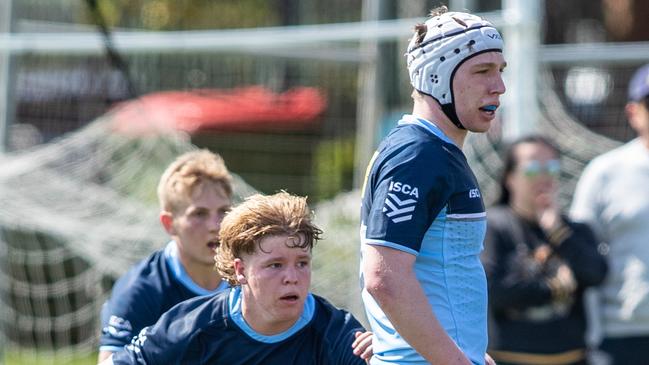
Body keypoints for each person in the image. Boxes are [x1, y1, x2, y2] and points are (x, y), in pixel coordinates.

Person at [360, 5, 506, 365]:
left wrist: (467, 353)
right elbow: (384, 277)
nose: (499, 86)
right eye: (482, 71)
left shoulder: (433, 151)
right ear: (437, 76)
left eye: (500, 71)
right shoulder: (417, 155)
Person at [101, 191, 373, 365]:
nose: (292, 277)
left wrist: (385, 357)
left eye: (302, 263)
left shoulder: (338, 335)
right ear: (240, 270)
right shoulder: (192, 327)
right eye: (275, 265)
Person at [482, 135, 607, 365]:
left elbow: (596, 274)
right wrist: (554, 287)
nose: (544, 175)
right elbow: (495, 291)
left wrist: (557, 232)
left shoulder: (574, 229)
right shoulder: (492, 225)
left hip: (572, 358)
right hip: (511, 359)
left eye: (551, 167)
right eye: (532, 168)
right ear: (510, 177)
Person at [97, 149, 233, 362]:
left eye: (224, 211)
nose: (216, 226)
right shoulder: (139, 290)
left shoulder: (252, 278)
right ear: (169, 224)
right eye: (199, 214)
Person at [570, 63, 649, 364]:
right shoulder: (605, 172)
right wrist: (592, 337)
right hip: (622, 337)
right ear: (633, 112)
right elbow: (582, 258)